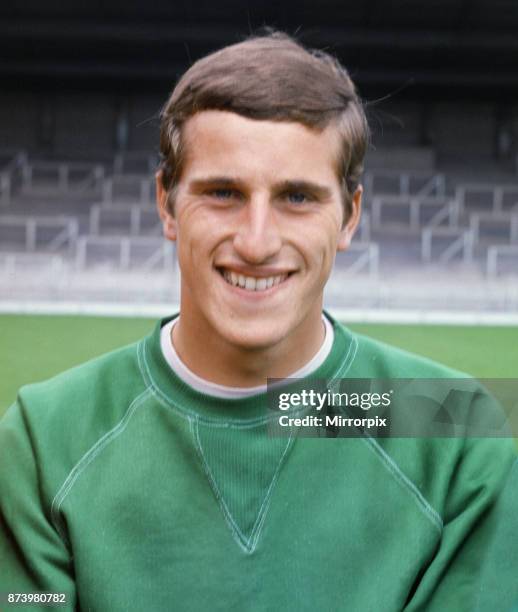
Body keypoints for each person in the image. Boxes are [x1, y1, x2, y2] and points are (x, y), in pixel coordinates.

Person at [0, 31, 515, 611]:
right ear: (166, 204)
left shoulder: (454, 428)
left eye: (297, 197)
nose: (256, 240)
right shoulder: (42, 439)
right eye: (223, 192)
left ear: (350, 218)